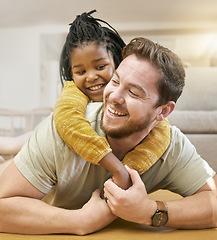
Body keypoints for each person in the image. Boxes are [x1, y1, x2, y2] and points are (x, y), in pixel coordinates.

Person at [0, 37, 216, 235]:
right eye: (115, 81)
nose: (114, 97)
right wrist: (79, 221)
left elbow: (213, 199)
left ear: (163, 111)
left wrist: (150, 211)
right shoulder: (64, 129)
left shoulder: (172, 145)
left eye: (133, 92)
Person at [0, 10, 170, 188]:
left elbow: (160, 130)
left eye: (101, 66)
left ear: (118, 62)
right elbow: (68, 122)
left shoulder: (129, 93)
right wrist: (117, 168)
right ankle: (7, 148)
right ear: (72, 74)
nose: (91, 77)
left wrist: (129, 171)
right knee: (12, 165)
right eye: (81, 72)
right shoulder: (74, 90)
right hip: (45, 143)